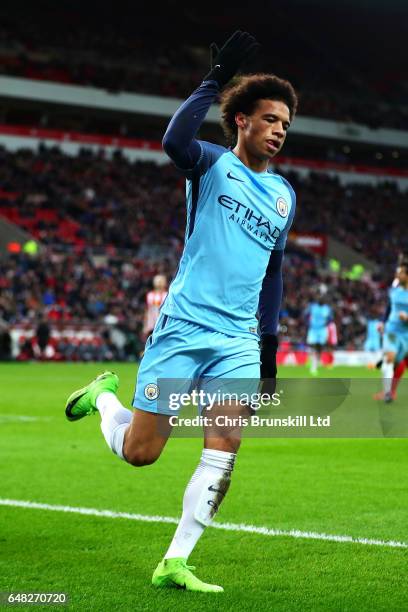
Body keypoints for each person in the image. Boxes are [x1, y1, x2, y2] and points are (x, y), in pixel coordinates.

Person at [64, 31, 298, 593]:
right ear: (241, 121)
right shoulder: (211, 164)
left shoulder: (286, 195)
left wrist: (267, 346)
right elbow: (174, 142)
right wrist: (213, 79)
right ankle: (105, 399)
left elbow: (274, 272)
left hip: (238, 339)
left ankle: (176, 561)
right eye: (270, 119)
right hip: (185, 327)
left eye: (286, 124)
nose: (280, 131)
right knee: (142, 452)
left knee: (225, 448)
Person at [374, 263, 408, 403]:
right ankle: (388, 393)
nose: (397, 276)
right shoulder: (394, 291)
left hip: (406, 334)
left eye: (400, 273)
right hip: (392, 330)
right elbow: (388, 308)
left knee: (397, 363)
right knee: (390, 357)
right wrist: (382, 322)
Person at [305, 296, 333, 375]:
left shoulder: (327, 308)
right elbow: (305, 315)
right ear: (317, 300)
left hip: (322, 330)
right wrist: (308, 323)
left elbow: (330, 318)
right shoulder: (312, 307)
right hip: (313, 330)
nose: (321, 300)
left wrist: (326, 324)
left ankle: (317, 361)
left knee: (320, 346)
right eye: (319, 299)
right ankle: (313, 366)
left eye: (322, 299)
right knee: (313, 346)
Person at [142, 274, 168, 340]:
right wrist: (145, 325)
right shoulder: (150, 295)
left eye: (161, 281)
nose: (159, 282)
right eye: (157, 280)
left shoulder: (167, 295)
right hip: (152, 324)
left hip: (163, 323)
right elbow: (148, 310)